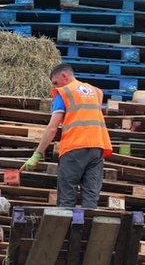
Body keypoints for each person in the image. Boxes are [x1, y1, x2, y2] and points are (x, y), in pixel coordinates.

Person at [22, 64, 113, 209]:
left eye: (55, 82)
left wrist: (37, 154)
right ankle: (85, 231)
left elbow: (52, 128)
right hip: (97, 148)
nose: (54, 87)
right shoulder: (94, 91)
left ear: (64, 76)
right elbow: (94, 100)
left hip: (74, 148)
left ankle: (65, 231)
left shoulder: (63, 92)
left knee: (66, 200)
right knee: (90, 200)